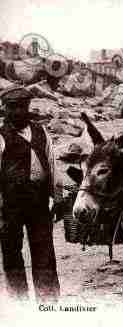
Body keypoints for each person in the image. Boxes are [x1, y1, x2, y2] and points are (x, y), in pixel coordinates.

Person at [0, 86, 62, 301]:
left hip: (38, 201)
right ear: (5, 110)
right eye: (12, 108)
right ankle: (20, 303)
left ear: (28, 108)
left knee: (44, 250)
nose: (17, 112)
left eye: (22, 107)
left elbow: (53, 165)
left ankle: (49, 301)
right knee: (11, 252)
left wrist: (59, 197)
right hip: (10, 204)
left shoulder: (40, 131)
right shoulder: (1, 136)